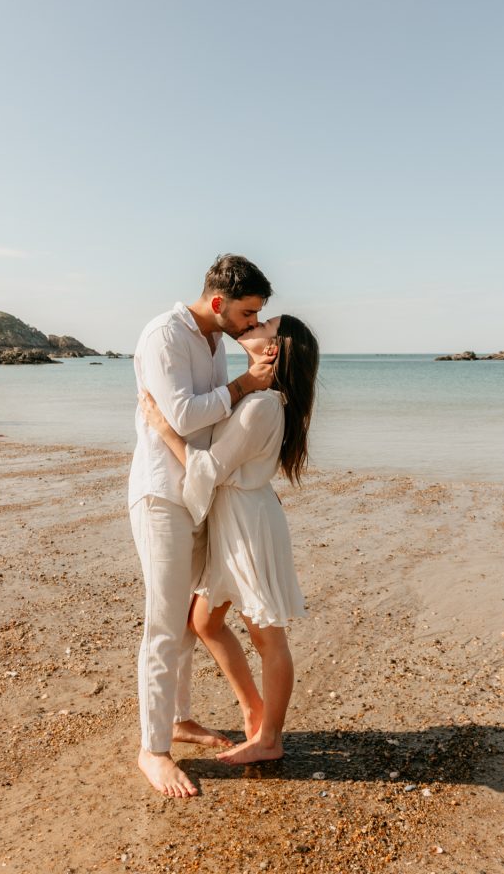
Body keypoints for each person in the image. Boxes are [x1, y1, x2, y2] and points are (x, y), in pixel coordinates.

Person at [139, 313, 319, 766]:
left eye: (264, 325)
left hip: (248, 525)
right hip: (234, 519)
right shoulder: (258, 396)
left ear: (273, 348)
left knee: (268, 638)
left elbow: (209, 470)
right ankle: (253, 709)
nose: (252, 325)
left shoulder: (261, 405)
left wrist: (164, 429)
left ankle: (270, 738)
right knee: (204, 622)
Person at [129, 254, 276, 798]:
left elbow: (205, 425)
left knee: (190, 621)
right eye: (246, 312)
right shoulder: (165, 335)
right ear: (218, 303)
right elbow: (185, 418)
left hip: (198, 491)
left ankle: (178, 719)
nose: (250, 322)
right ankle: (153, 750)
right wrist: (243, 386)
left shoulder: (215, 339)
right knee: (164, 624)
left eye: (256, 314)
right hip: (162, 494)